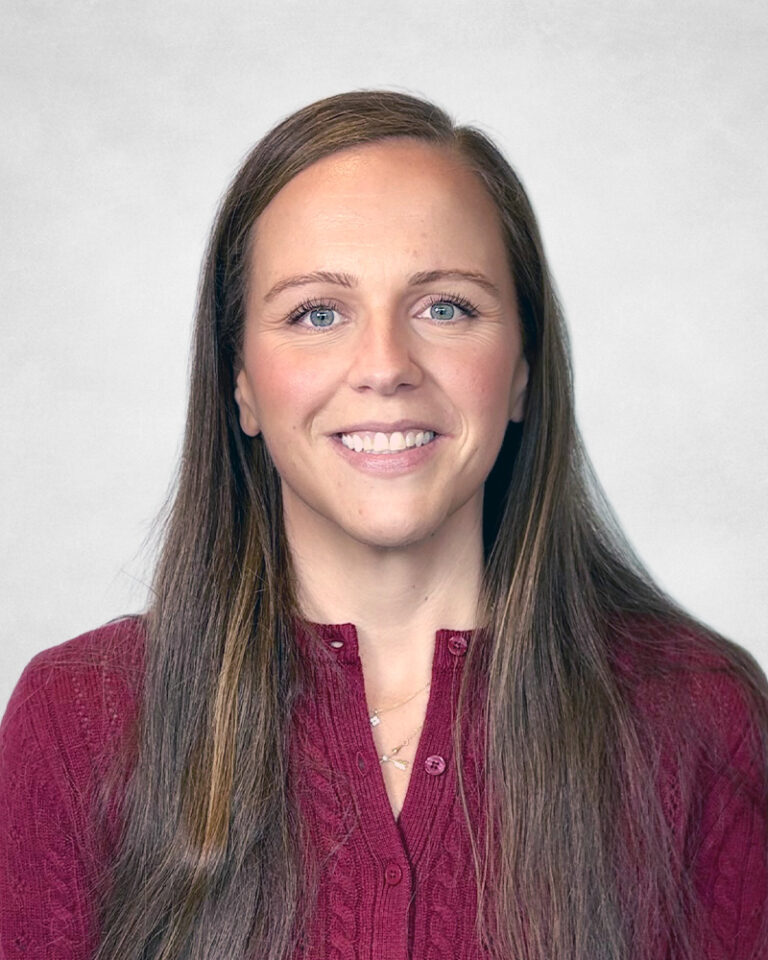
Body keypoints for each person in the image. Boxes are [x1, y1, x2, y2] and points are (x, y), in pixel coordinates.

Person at [1, 89, 766, 960]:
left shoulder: (700, 716)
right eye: (317, 313)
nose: (385, 367)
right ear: (241, 381)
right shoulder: (80, 720)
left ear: (522, 369)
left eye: (445, 307)